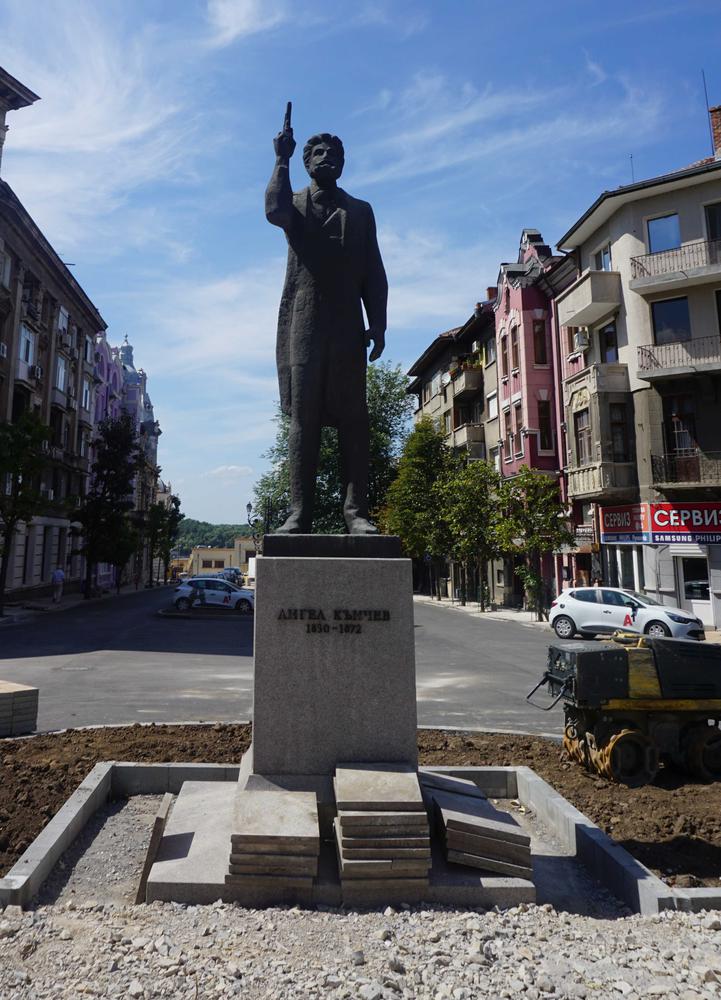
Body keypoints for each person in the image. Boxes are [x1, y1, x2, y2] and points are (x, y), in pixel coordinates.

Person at [265, 103, 388, 534]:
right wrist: (280, 158)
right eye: (317, 153)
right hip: (304, 326)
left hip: (347, 327)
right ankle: (299, 514)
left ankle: (356, 512)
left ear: (343, 162)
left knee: (354, 419)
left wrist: (379, 322)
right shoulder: (295, 204)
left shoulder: (361, 211)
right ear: (306, 162)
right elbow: (273, 210)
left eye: (334, 153)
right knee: (304, 419)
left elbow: (374, 269)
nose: (327, 158)